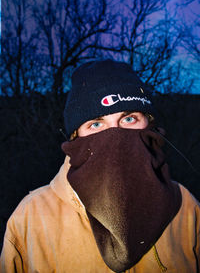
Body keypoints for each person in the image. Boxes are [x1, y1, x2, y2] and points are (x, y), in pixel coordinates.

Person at [0, 59, 199, 273]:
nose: (115, 136)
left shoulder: (186, 208)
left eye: (129, 119)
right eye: (96, 124)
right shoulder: (31, 217)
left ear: (149, 124)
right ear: (76, 136)